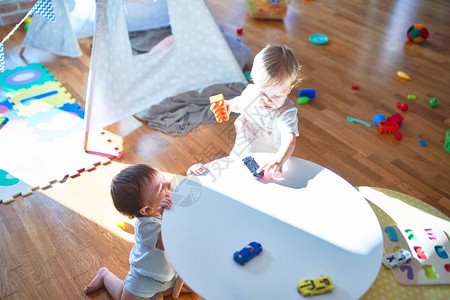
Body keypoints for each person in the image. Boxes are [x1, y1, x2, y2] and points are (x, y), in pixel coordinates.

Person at [84, 164, 190, 300]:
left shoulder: (166, 207)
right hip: (146, 279)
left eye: (163, 178)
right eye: (161, 187)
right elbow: (167, 242)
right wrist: (167, 216)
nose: (168, 183)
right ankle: (105, 275)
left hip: (170, 274)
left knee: (196, 286)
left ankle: (158, 293)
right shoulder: (145, 227)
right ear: (146, 210)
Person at [212, 44, 302, 179]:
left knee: (261, 181)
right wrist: (228, 106)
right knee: (236, 174)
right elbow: (240, 104)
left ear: (289, 88)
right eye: (262, 93)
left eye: (276, 96)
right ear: (253, 79)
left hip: (268, 158)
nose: (268, 101)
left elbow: (289, 139)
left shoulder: (286, 113)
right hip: (243, 147)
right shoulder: (251, 92)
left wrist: (278, 160)